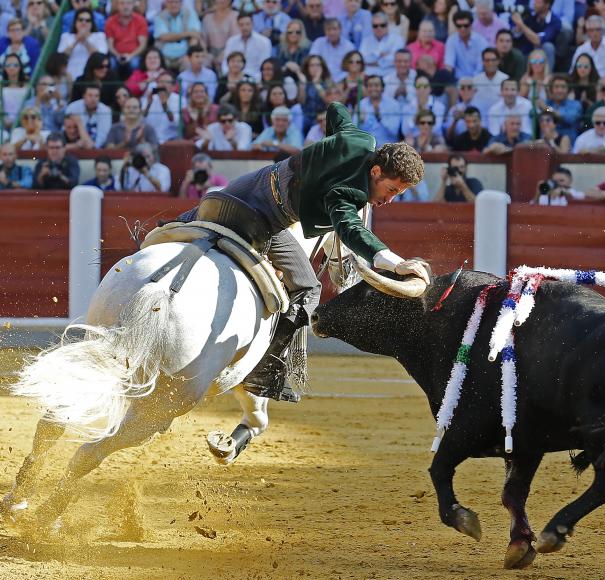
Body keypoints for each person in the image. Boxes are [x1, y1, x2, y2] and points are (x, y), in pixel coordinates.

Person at [177, 102, 429, 402]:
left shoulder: (361, 140)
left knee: (186, 221)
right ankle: (263, 370)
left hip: (244, 188)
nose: (390, 199)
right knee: (309, 288)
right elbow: (350, 229)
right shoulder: (350, 193)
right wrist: (395, 263)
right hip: (267, 219)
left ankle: (159, 231)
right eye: (392, 190)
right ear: (376, 171)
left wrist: (327, 157)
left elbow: (336, 109)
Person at [105, 0, 149, 77]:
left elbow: (142, 45)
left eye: (128, 3)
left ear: (133, 4)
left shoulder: (141, 20)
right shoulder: (110, 21)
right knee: (110, 64)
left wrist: (130, 56)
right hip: (116, 55)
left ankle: (133, 87)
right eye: (122, 3)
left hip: (134, 55)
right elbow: (110, 45)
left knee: (135, 63)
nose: (125, 6)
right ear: (117, 5)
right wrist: (118, 55)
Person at [512, 0, 561, 68]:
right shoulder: (529, 16)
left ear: (547, 5)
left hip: (543, 54)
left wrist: (521, 24)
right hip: (526, 52)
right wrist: (517, 28)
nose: (534, 4)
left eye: (538, 2)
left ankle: (548, 77)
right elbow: (517, 36)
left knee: (548, 46)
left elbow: (538, 41)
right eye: (535, 2)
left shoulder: (555, 21)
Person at [155, 0, 201, 69]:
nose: (173, 5)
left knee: (191, 60)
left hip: (185, 55)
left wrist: (189, 54)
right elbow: (164, 37)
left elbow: (195, 34)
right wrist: (187, 33)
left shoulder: (190, 13)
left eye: (176, 2)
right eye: (170, 2)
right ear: (166, 3)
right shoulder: (160, 16)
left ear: (181, 3)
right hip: (164, 56)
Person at [356, 75, 401, 145]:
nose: (373, 88)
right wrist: (361, 122)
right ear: (367, 88)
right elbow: (353, 133)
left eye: (376, 85)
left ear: (382, 88)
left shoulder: (393, 105)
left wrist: (380, 118)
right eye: (370, 86)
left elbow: (394, 131)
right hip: (366, 149)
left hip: (388, 149)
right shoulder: (361, 105)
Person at [65, 84, 112, 148]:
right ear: (84, 96)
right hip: (74, 147)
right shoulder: (72, 108)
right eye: (90, 95)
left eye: (96, 96)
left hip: (99, 150)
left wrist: (79, 123)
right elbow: (65, 132)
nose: (93, 99)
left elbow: (101, 139)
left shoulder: (106, 111)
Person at [443, 11, 487, 79]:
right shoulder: (451, 40)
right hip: (457, 82)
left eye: (466, 25)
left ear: (471, 25)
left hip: (478, 81)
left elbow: (481, 67)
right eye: (459, 26)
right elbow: (449, 64)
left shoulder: (481, 42)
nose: (462, 28)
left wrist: (471, 81)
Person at [539, 75, 581, 143]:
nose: (560, 90)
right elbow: (532, 114)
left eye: (563, 87)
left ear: (568, 89)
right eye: (556, 87)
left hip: (567, 143)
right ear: (551, 89)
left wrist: (547, 109)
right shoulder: (547, 102)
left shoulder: (575, 104)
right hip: (546, 144)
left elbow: (569, 118)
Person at [360, 12, 402, 78]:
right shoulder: (366, 41)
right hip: (369, 77)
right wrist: (384, 57)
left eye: (382, 25)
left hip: (390, 76)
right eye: (375, 26)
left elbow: (397, 60)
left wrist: (374, 60)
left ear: (387, 25)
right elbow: (362, 60)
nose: (379, 28)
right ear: (371, 27)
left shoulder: (397, 40)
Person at [202, 0, 239, 69]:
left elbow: (235, 40)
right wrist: (206, 54)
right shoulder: (207, 18)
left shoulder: (236, 16)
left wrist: (223, 54)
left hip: (230, 51)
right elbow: (203, 41)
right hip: (210, 53)